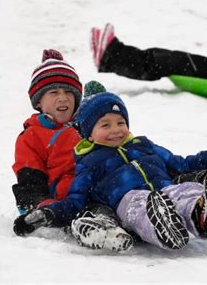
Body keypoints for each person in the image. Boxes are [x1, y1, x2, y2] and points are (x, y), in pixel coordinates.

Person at [14, 91, 207, 250]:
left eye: (121, 122)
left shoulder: (143, 146)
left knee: (185, 191)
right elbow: (75, 200)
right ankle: (160, 226)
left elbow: (183, 163)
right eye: (106, 125)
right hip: (128, 201)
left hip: (164, 190)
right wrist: (46, 213)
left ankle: (204, 216)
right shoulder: (88, 162)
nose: (116, 129)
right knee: (139, 205)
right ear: (88, 133)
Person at [11, 49, 133, 252]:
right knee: (94, 209)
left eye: (69, 92)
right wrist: (42, 209)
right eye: (54, 92)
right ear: (38, 102)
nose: (63, 98)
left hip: (111, 184)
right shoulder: (32, 137)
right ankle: (98, 227)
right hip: (72, 198)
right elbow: (30, 182)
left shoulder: (88, 125)